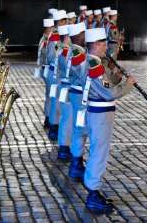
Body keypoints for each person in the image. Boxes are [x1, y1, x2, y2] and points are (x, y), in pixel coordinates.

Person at [80, 28, 136, 211]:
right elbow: (108, 93)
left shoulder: (93, 63)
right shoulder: (94, 66)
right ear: (95, 45)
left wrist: (115, 78)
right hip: (100, 115)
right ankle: (93, 194)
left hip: (99, 114)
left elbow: (105, 84)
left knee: (98, 151)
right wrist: (127, 86)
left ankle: (93, 191)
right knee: (99, 153)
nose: (106, 48)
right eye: (104, 44)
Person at [65, 22, 88, 178]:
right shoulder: (78, 55)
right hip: (80, 95)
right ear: (78, 36)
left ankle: (76, 161)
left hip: (76, 94)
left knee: (79, 128)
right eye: (84, 34)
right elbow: (83, 76)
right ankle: (76, 163)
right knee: (81, 129)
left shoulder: (74, 51)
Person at [51, 24, 72, 159]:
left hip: (64, 85)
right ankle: (64, 146)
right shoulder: (65, 52)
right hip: (67, 87)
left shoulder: (62, 50)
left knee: (66, 117)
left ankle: (65, 145)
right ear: (67, 37)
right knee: (68, 118)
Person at [47, 10, 68, 139]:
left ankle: (55, 126)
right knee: (56, 102)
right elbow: (50, 56)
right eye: (64, 21)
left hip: (59, 72)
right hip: (56, 73)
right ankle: (54, 127)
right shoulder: (55, 36)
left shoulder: (59, 34)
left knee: (59, 102)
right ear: (58, 22)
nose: (67, 23)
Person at [35, 18, 53, 128]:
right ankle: (48, 118)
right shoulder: (46, 40)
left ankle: (49, 117)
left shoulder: (46, 39)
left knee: (50, 95)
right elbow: (47, 57)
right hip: (47, 69)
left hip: (47, 70)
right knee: (50, 95)